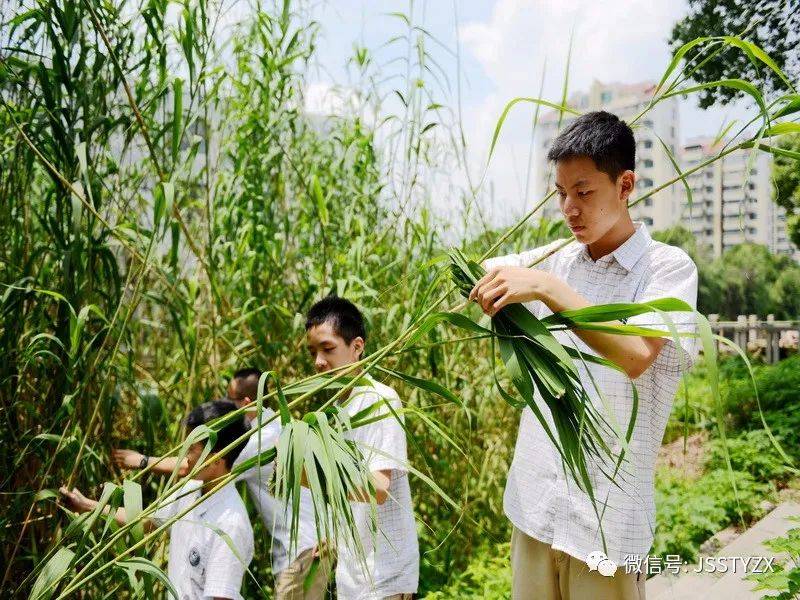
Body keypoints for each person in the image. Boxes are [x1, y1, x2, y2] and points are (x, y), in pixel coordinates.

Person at [470, 111, 699, 600]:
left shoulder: (666, 269)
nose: (569, 209)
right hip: (535, 510)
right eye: (560, 193)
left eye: (583, 191)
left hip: (606, 526)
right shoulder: (552, 258)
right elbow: (476, 280)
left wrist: (551, 290)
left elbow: (637, 354)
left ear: (626, 184)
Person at [112, 369, 327, 599]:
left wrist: (142, 461)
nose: (225, 404)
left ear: (247, 402)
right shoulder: (266, 425)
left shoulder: (259, 439)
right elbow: (146, 519)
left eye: (230, 399)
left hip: (305, 543)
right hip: (301, 540)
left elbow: (191, 467)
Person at [61, 400, 253, 600]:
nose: (183, 457)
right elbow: (142, 522)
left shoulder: (231, 525)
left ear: (215, 459)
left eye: (191, 449)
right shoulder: (189, 490)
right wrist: (87, 506)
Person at [305, 295, 418, 600]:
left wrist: (309, 476)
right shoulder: (334, 412)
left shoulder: (379, 400)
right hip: (354, 576)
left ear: (357, 347)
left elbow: (379, 488)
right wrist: (332, 535)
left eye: (328, 349)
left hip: (384, 577)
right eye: (313, 352)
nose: (318, 361)